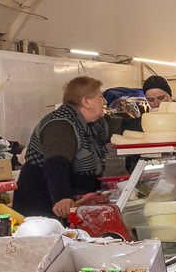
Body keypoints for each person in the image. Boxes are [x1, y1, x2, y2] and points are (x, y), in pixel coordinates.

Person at [13, 75, 111, 220]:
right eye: (100, 96)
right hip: (41, 205)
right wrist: (62, 197)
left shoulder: (91, 125)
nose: (104, 101)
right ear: (86, 102)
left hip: (63, 203)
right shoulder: (61, 125)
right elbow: (56, 164)